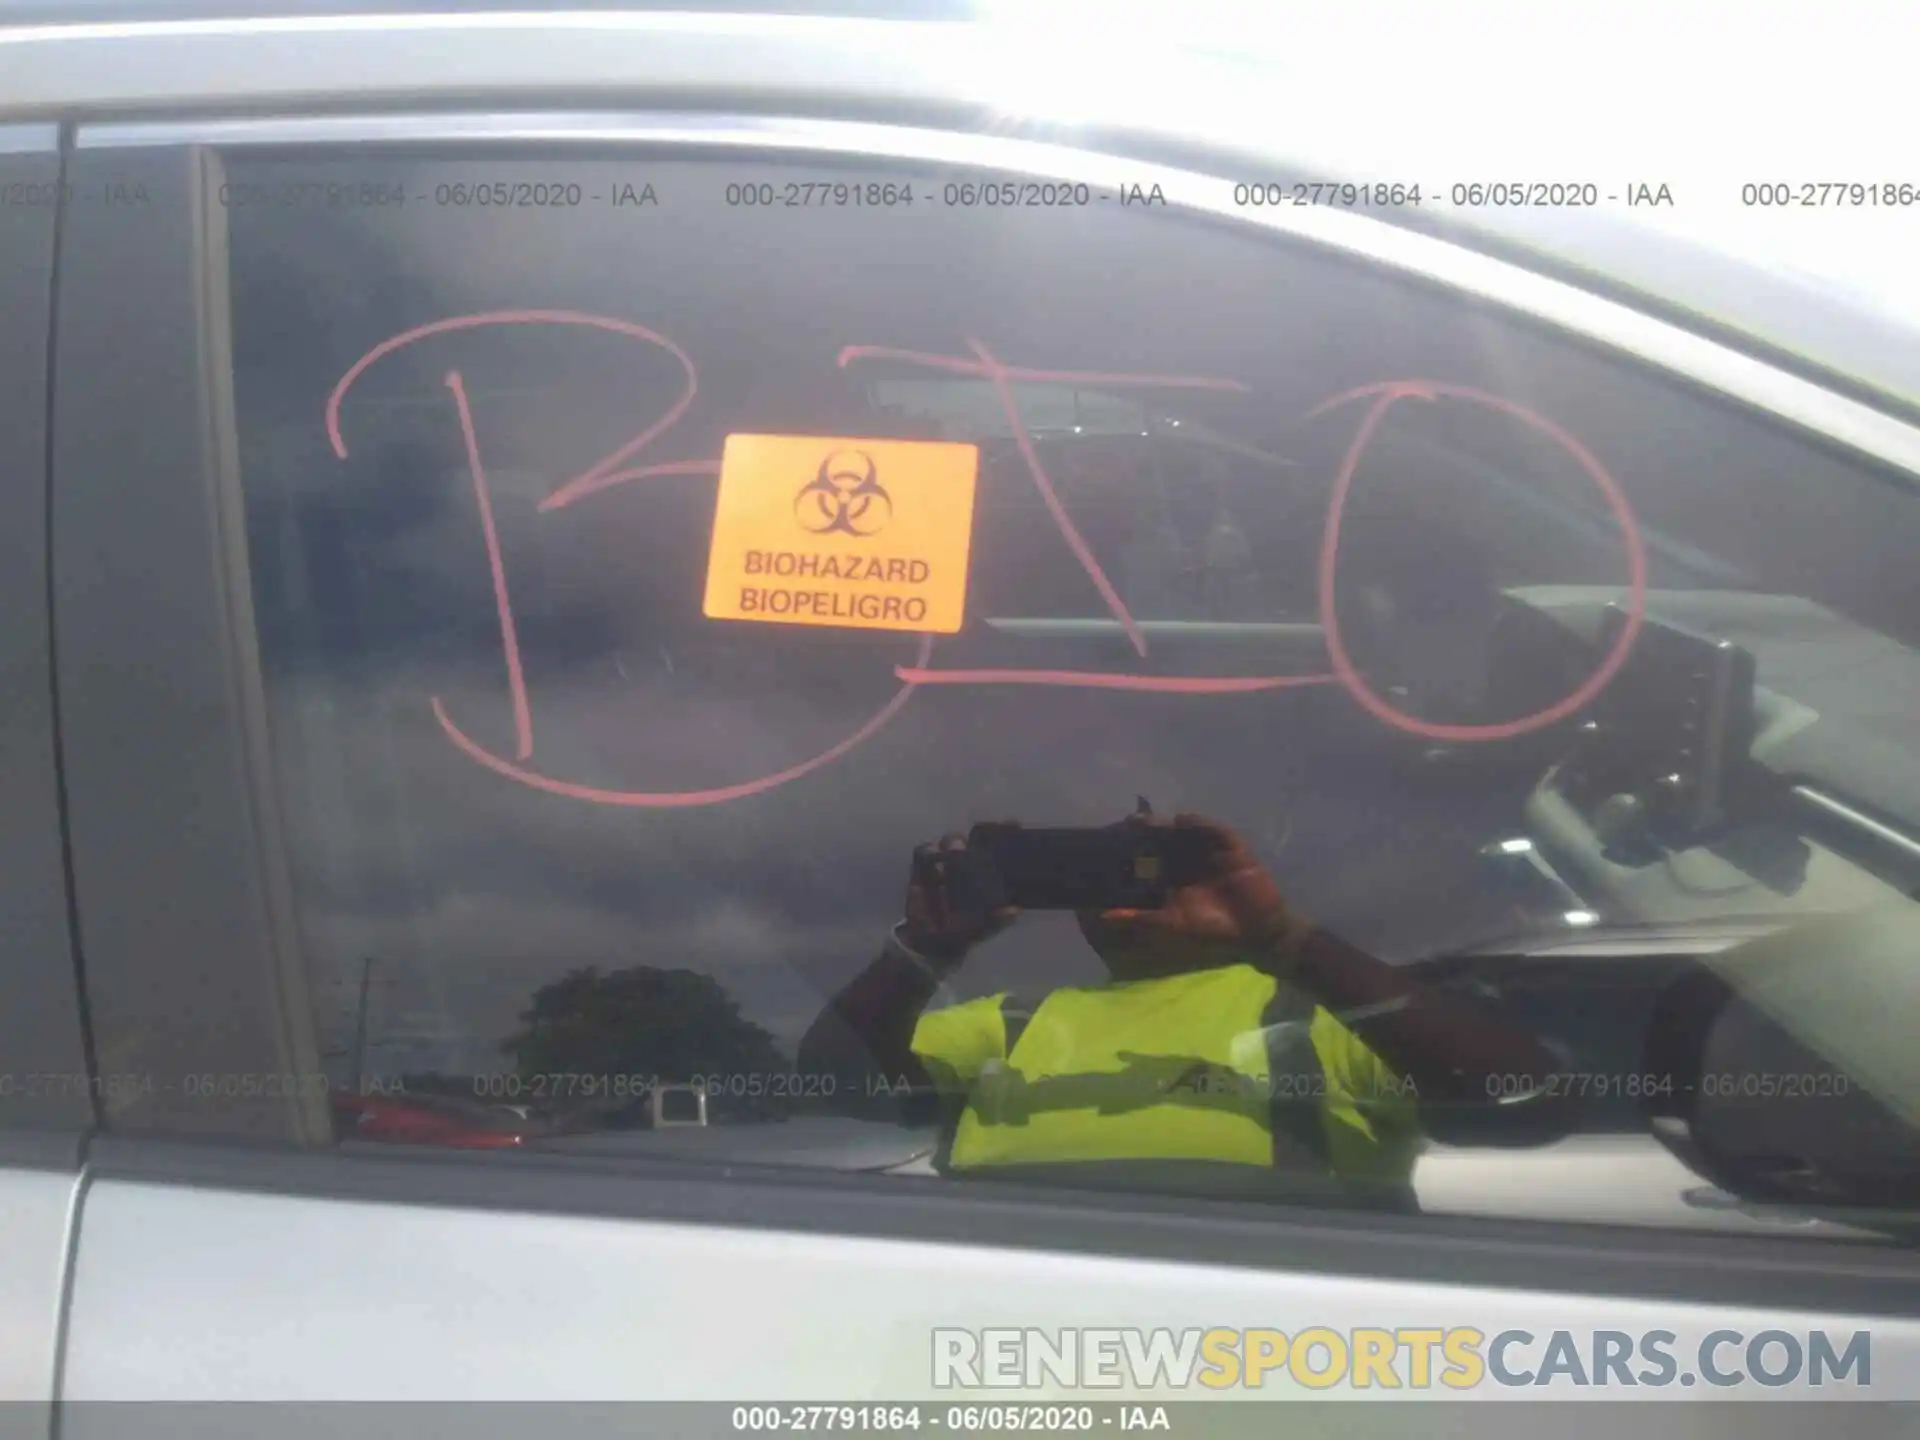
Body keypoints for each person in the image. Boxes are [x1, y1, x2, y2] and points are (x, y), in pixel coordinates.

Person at [798, 810, 1574, 1208]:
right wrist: (923, 952)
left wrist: (1285, 939)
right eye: (1090, 869)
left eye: (1159, 867)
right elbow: (837, 1082)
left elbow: (1522, 1100)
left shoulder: (1321, 1007)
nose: (1126, 886)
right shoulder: (1008, 1023)